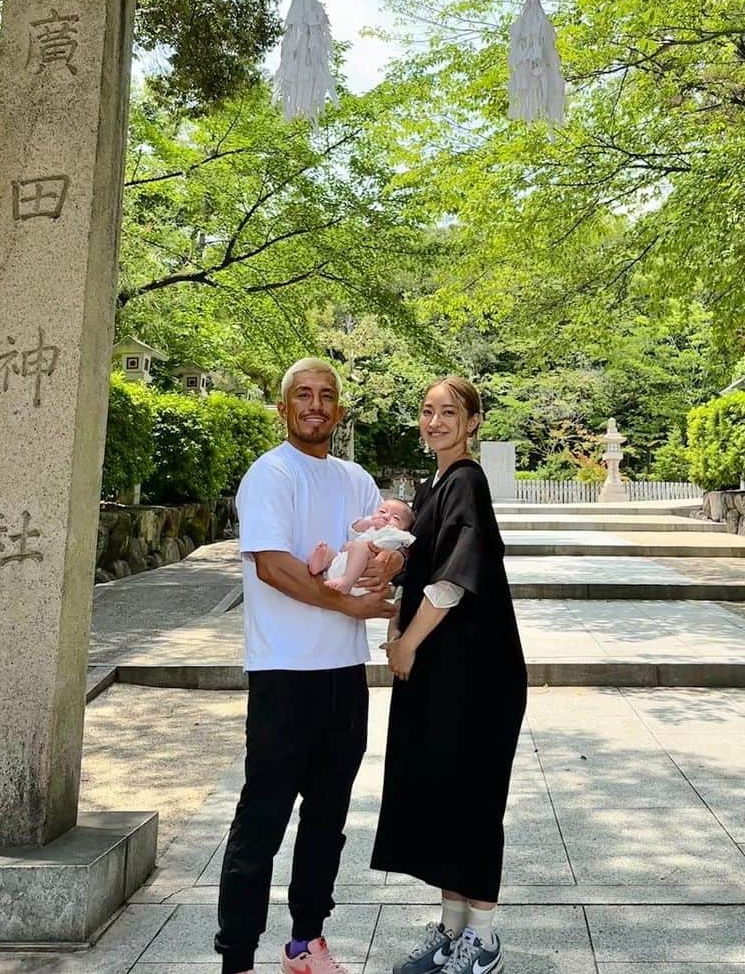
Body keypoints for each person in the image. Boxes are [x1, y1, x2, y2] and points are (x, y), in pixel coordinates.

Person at [214, 358, 403, 974]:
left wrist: (383, 571)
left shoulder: (356, 479)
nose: (316, 405)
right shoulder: (270, 474)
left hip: (344, 675)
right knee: (262, 818)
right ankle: (237, 956)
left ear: (339, 409)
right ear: (284, 408)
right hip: (284, 675)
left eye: (327, 396)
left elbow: (388, 549)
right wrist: (348, 600)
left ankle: (306, 942)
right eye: (303, 395)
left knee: (328, 818)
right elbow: (271, 565)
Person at [371, 377, 527, 974]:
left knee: (473, 800)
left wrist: (406, 642)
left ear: (473, 422)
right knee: (443, 795)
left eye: (449, 412)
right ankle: (452, 928)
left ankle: (482, 940)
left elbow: (456, 578)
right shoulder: (433, 484)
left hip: (477, 677)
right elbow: (419, 569)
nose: (435, 421)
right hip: (446, 673)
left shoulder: (465, 480)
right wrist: (396, 626)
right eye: (428, 411)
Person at [308, 499, 416, 595]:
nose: (386, 517)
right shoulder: (370, 528)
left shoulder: (394, 534)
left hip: (361, 575)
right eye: (382, 511)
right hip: (341, 564)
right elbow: (354, 529)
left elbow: (409, 542)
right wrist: (369, 522)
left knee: (358, 546)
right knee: (330, 552)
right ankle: (318, 566)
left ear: (404, 529)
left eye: (396, 518)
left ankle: (347, 581)